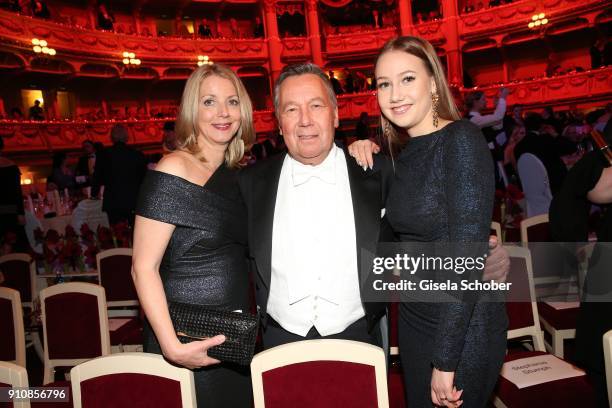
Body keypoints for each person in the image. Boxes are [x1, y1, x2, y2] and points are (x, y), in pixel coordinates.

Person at [238, 62, 510, 356]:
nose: (305, 120)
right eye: (291, 109)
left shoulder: (377, 172)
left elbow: (424, 234)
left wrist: (484, 255)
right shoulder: (250, 184)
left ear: (336, 114)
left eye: (316, 106)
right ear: (279, 122)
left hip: (360, 336)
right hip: (279, 340)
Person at [348, 36, 508, 407]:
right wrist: (362, 147)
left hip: (462, 327)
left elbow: (467, 258)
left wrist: (446, 360)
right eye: (384, 84)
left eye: (407, 79)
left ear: (433, 83)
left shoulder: (461, 140)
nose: (394, 94)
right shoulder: (404, 153)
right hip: (417, 317)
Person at [132, 63, 255, 408]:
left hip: (231, 336)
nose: (222, 113)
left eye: (232, 102)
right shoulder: (174, 167)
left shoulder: (238, 175)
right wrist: (172, 347)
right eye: (209, 102)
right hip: (181, 337)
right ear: (191, 109)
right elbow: (143, 267)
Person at [92, 124, 146, 226]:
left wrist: (94, 194)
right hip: (133, 200)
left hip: (113, 201)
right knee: (133, 233)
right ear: (127, 137)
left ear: (111, 137)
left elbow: (97, 177)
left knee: (117, 233)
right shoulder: (137, 154)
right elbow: (144, 178)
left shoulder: (104, 154)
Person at [0, 136, 27, 252]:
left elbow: (17, 192)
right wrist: (20, 213)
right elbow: (17, 192)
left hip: (7, 211)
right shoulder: (11, 166)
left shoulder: (10, 166)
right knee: (13, 247)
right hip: (10, 211)